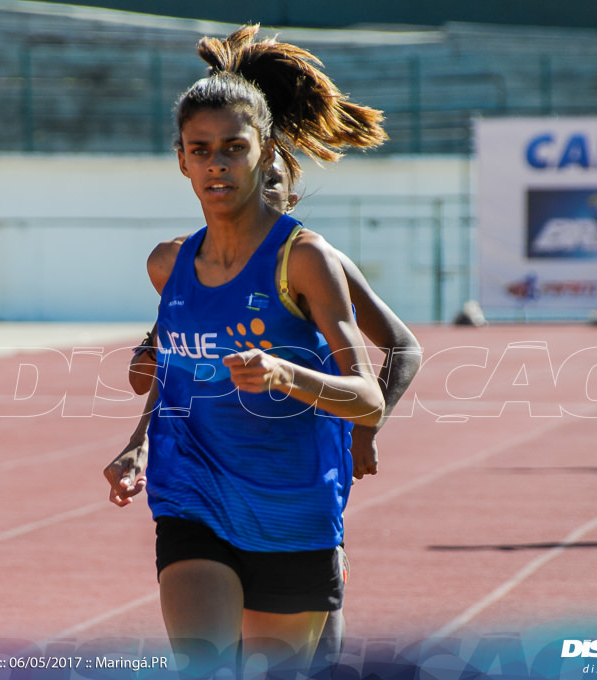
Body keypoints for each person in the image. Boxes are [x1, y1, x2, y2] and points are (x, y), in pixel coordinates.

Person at [104, 24, 394, 676]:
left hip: (292, 501)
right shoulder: (167, 264)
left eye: (234, 149)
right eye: (200, 150)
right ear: (180, 158)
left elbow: (373, 386)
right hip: (194, 496)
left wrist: (293, 380)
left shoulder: (309, 260)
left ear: (267, 160)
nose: (216, 164)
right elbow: (169, 374)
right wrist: (138, 443)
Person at [127, 149, 422, 666]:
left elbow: (402, 347)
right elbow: (162, 371)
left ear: (291, 193)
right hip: (203, 484)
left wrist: (364, 433)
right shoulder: (190, 263)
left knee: (310, 656)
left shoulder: (314, 259)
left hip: (293, 481)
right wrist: (139, 431)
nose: (260, 194)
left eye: (274, 184)